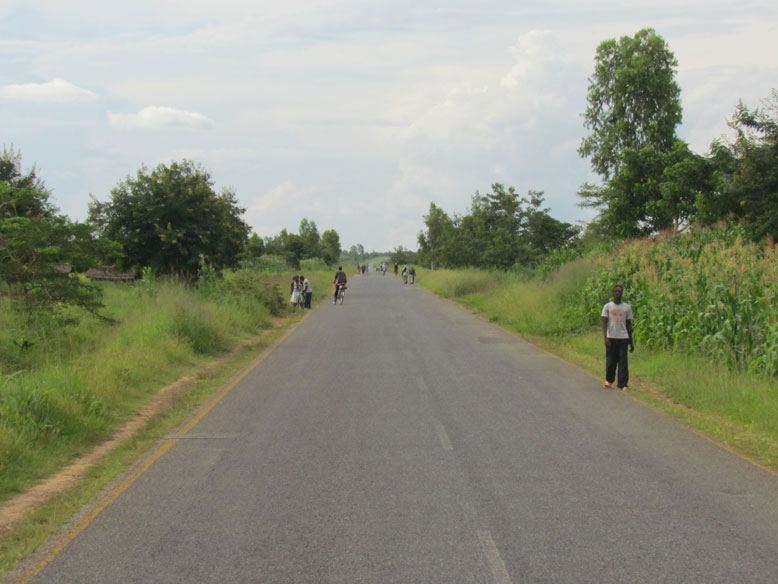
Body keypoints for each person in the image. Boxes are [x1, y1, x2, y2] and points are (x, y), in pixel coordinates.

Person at [601, 285, 634, 390]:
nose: (617, 293)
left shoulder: (627, 307)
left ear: (622, 293)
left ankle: (623, 384)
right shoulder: (608, 306)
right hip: (611, 337)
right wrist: (605, 338)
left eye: (619, 291)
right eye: (615, 291)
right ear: (612, 293)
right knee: (611, 361)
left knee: (623, 361)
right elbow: (604, 323)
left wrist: (631, 342)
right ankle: (609, 380)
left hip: (623, 338)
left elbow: (629, 325)